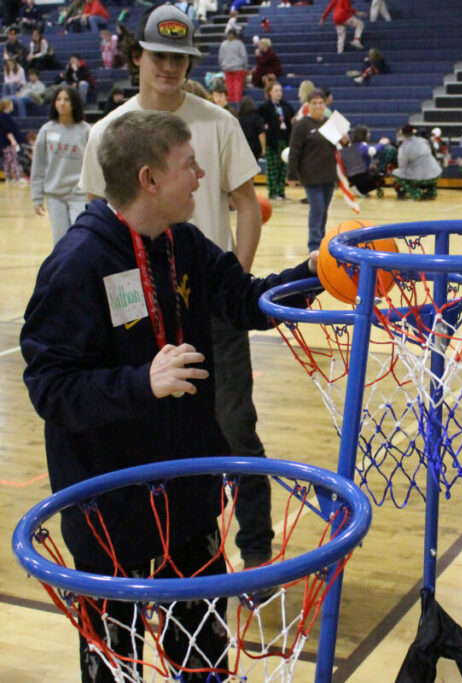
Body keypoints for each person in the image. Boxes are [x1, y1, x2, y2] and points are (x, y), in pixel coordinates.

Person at [22, 108, 317, 683]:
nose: (202, 177)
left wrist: (318, 273)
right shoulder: (78, 263)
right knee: (116, 666)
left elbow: (244, 299)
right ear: (148, 180)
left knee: (202, 652)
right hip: (111, 511)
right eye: (189, 166)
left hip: (186, 495)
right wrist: (140, 383)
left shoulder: (183, 242)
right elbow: (50, 387)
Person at [80, 4, 276, 573]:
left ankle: (257, 549)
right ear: (138, 56)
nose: (169, 66)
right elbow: (99, 224)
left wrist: (230, 286)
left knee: (236, 429)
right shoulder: (107, 132)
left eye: (180, 57)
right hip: (139, 316)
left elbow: (247, 206)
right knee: (155, 434)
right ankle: (168, 551)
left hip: (208, 305)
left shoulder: (218, 123)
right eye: (159, 55)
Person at [31, 86, 89, 242]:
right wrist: (36, 197)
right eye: (58, 99)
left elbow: (93, 165)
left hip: (79, 195)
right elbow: (38, 165)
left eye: (66, 99)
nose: (62, 103)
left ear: (74, 103)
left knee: (80, 239)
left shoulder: (86, 131)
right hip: (55, 195)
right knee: (60, 241)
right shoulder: (46, 130)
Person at [286, 89, 336, 252]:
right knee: (317, 208)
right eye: (314, 103)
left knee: (324, 210)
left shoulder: (330, 123)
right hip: (310, 175)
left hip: (328, 174)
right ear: (308, 105)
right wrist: (292, 175)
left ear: (325, 105)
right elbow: (294, 150)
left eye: (320, 103)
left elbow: (340, 147)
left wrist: (345, 140)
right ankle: (314, 244)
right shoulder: (302, 125)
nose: (318, 106)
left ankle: (322, 239)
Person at [257, 79, 293, 201]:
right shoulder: (265, 107)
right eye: (276, 90)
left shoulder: (286, 105)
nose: (279, 93)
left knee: (283, 168)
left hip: (284, 139)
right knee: (273, 168)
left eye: (280, 90)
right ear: (270, 92)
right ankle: (273, 192)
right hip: (272, 141)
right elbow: (259, 122)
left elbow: (291, 120)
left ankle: (281, 192)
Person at [392, 123, 441, 200]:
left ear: (403, 134)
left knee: (396, 173)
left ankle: (415, 193)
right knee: (429, 168)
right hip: (436, 173)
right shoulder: (424, 141)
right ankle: (431, 192)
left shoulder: (404, 147)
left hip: (421, 177)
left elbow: (402, 166)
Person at [0, 96, 25, 182]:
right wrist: (13, 141)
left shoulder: (3, 116)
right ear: (7, 106)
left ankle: (8, 177)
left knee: (7, 160)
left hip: (5, 143)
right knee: (13, 159)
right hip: (9, 143)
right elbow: (8, 131)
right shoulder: (5, 117)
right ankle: (17, 177)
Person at [218, 28, 246, 105]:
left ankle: (230, 104)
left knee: (229, 87)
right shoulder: (239, 44)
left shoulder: (223, 44)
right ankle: (237, 104)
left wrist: (222, 65)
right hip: (238, 68)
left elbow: (220, 58)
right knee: (237, 87)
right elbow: (244, 57)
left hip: (227, 68)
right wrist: (245, 67)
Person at [237, 94, 264, 173]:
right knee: (252, 170)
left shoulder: (238, 118)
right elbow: (261, 134)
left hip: (242, 147)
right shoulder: (256, 118)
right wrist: (263, 148)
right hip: (254, 147)